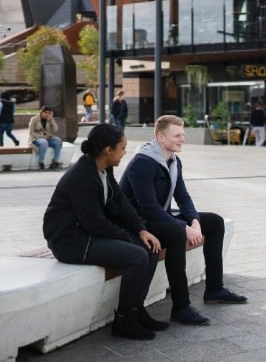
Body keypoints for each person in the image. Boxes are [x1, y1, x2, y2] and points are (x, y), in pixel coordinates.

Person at [120, 115, 247, 327]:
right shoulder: (142, 163)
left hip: (161, 216)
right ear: (161, 136)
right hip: (140, 223)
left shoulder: (173, 161)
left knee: (214, 222)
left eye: (183, 134)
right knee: (176, 233)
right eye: (177, 135)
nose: (183, 139)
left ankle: (214, 288)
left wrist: (194, 222)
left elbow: (183, 196)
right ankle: (181, 307)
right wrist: (183, 227)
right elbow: (148, 208)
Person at [42, 124, 166, 340]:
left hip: (88, 233)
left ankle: (136, 309)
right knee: (137, 256)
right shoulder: (83, 176)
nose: (125, 152)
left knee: (150, 248)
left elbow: (121, 202)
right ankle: (124, 320)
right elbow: (95, 223)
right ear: (108, 150)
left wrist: (140, 230)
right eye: (123, 147)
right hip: (70, 241)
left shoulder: (103, 170)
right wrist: (128, 237)